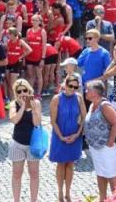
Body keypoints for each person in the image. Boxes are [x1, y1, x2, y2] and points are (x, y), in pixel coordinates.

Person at [84, 80, 116, 201]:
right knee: (100, 173)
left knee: (111, 174)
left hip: (107, 147)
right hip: (95, 147)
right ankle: (103, 199)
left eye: (88, 90)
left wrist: (110, 141)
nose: (85, 91)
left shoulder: (104, 105)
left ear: (94, 93)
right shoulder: (92, 105)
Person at [49, 74, 84, 202]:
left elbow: (84, 118)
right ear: (65, 85)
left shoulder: (79, 98)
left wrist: (77, 134)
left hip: (74, 136)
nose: (73, 89)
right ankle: (60, 192)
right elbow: (53, 121)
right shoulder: (56, 99)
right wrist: (61, 137)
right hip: (60, 135)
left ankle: (68, 192)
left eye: (76, 86)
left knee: (70, 164)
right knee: (61, 164)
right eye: (71, 86)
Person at [9, 78, 42, 202]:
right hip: (17, 142)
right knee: (17, 174)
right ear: (16, 93)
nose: (23, 93)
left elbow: (37, 123)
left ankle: (33, 200)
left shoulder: (36, 103)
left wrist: (33, 109)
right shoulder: (14, 104)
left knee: (34, 174)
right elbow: (14, 120)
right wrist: (23, 106)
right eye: (19, 91)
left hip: (33, 144)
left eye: (25, 90)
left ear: (29, 90)